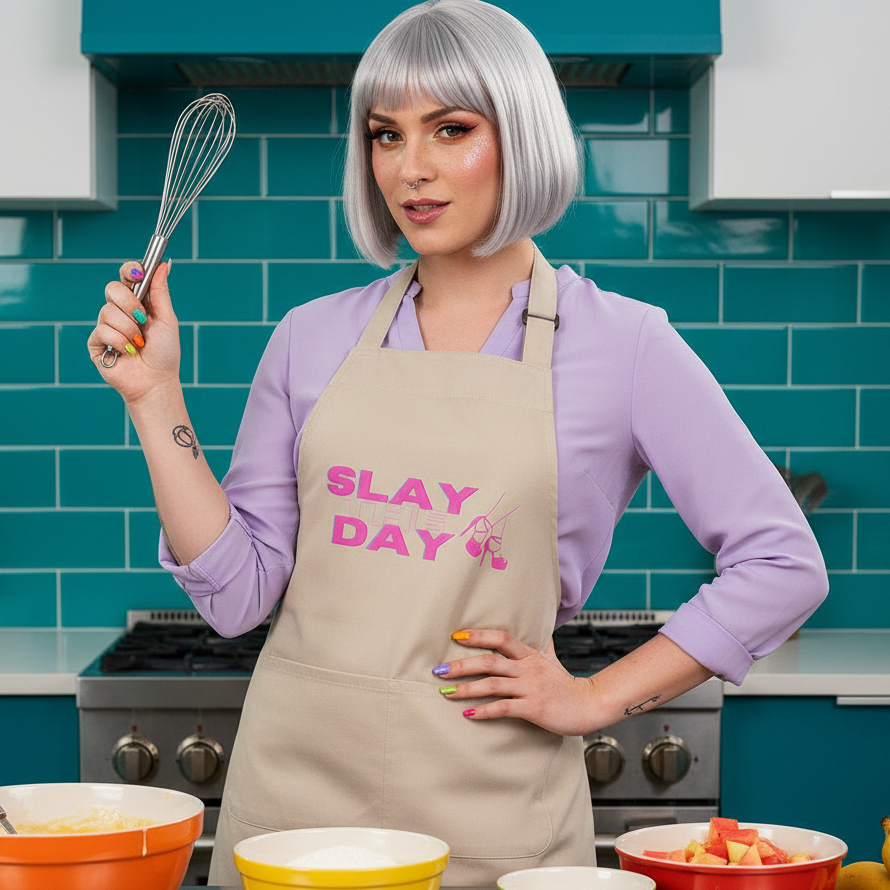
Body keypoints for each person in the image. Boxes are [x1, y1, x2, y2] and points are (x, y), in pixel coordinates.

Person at [88, 0, 829, 885]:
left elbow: (783, 567)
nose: (413, 168)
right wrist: (153, 394)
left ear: (519, 138)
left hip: (493, 824)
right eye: (386, 134)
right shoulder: (310, 336)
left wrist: (593, 697)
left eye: (451, 128)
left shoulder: (626, 346)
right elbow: (239, 597)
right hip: (295, 825)